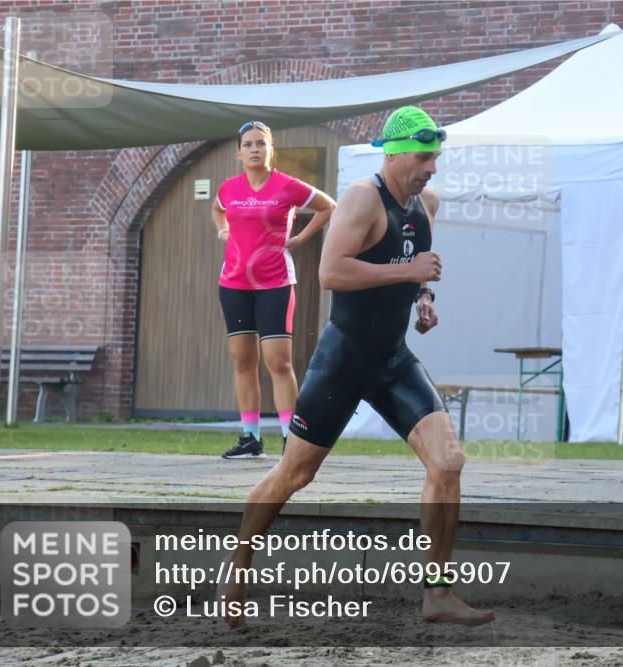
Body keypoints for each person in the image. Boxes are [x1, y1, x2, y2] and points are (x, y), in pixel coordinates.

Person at [219, 106, 494, 626]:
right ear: (392, 154)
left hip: (391, 359)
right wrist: (407, 271)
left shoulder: (424, 202)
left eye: (434, 157)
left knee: (448, 462)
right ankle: (238, 564)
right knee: (294, 474)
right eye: (422, 157)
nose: (431, 167)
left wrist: (423, 295)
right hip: (343, 361)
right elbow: (331, 272)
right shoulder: (361, 197)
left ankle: (436, 592)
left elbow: (416, 260)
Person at [213, 121, 336, 459]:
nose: (255, 149)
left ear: (271, 150)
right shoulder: (228, 188)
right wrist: (223, 231)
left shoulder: (287, 186)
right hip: (233, 284)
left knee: (278, 363)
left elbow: (328, 206)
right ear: (239, 153)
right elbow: (218, 210)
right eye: (248, 144)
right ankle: (250, 438)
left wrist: (299, 238)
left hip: (275, 284)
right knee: (243, 361)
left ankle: (291, 440)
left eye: (261, 144)